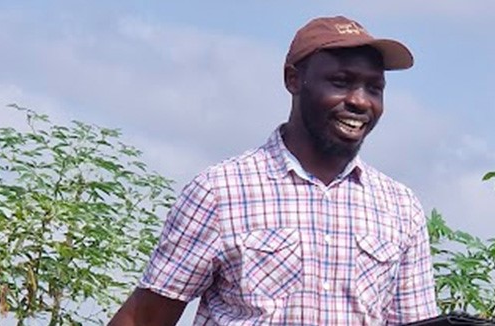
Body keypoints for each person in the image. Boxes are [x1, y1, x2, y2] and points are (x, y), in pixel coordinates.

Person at [110, 15, 437, 325]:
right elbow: (146, 317)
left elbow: (416, 323)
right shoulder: (221, 191)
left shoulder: (400, 208)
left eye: (374, 88)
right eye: (340, 82)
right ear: (293, 79)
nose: (360, 101)